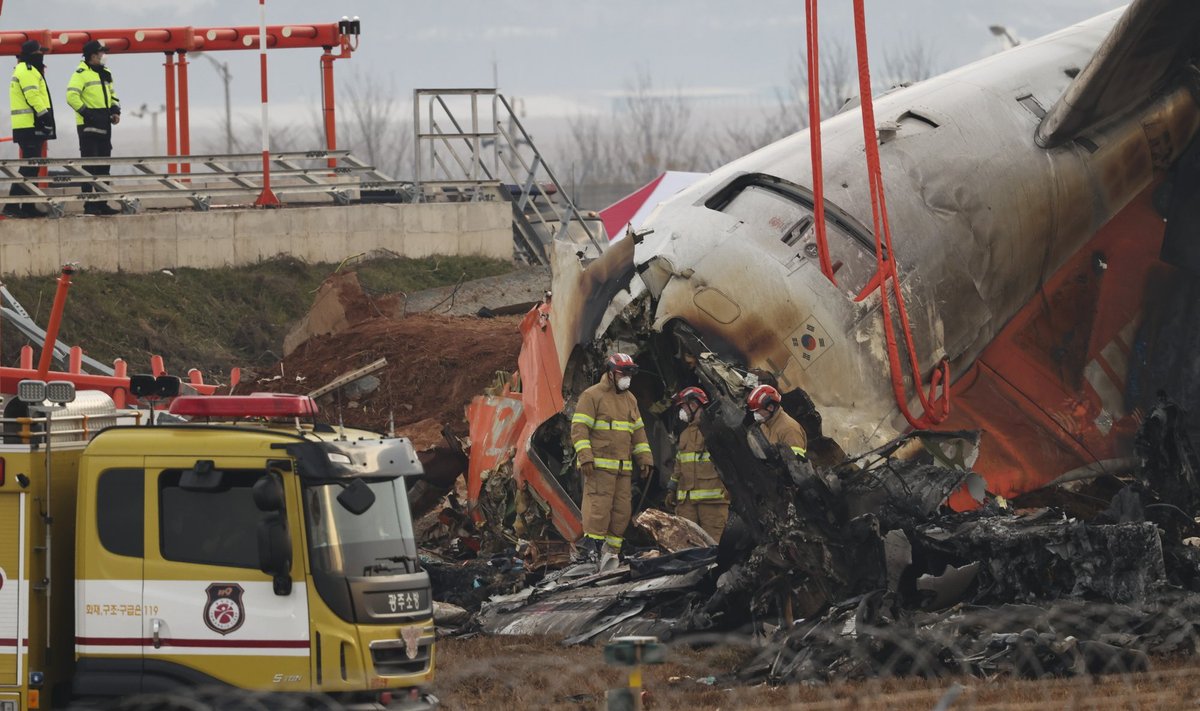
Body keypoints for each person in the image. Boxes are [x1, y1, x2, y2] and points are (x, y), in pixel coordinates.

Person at [570, 353, 653, 569]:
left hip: (623, 468)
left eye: (629, 374)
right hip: (598, 467)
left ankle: (611, 553)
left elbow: (638, 433)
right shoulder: (592, 396)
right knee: (598, 508)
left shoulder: (630, 400)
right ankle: (591, 552)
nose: (626, 378)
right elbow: (579, 429)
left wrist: (645, 459)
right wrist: (585, 457)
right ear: (610, 373)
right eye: (622, 373)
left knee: (621, 512)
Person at [66, 40, 121, 216]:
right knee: (89, 165)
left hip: (105, 124)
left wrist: (115, 110)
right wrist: (88, 114)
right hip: (88, 126)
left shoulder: (106, 73)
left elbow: (112, 94)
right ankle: (90, 204)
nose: (104, 56)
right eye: (101, 53)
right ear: (92, 55)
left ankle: (102, 203)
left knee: (104, 166)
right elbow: (71, 96)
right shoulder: (80, 73)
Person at [669, 386, 729, 542]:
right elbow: (679, 464)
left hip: (712, 503)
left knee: (712, 546)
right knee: (684, 544)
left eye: (683, 406)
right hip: (686, 503)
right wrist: (671, 488)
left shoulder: (716, 431)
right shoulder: (685, 434)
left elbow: (730, 466)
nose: (682, 411)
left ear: (694, 405)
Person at [6, 40, 55, 218]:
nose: (40, 55)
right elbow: (32, 95)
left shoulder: (27, 69)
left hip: (28, 124)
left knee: (32, 167)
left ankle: (27, 206)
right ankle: (12, 206)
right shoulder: (26, 70)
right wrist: (44, 115)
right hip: (29, 125)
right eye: (38, 52)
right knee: (29, 167)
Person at [746, 384, 808, 460]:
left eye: (757, 411)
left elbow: (796, 464)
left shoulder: (790, 430)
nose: (755, 414)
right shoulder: (766, 422)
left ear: (770, 408)